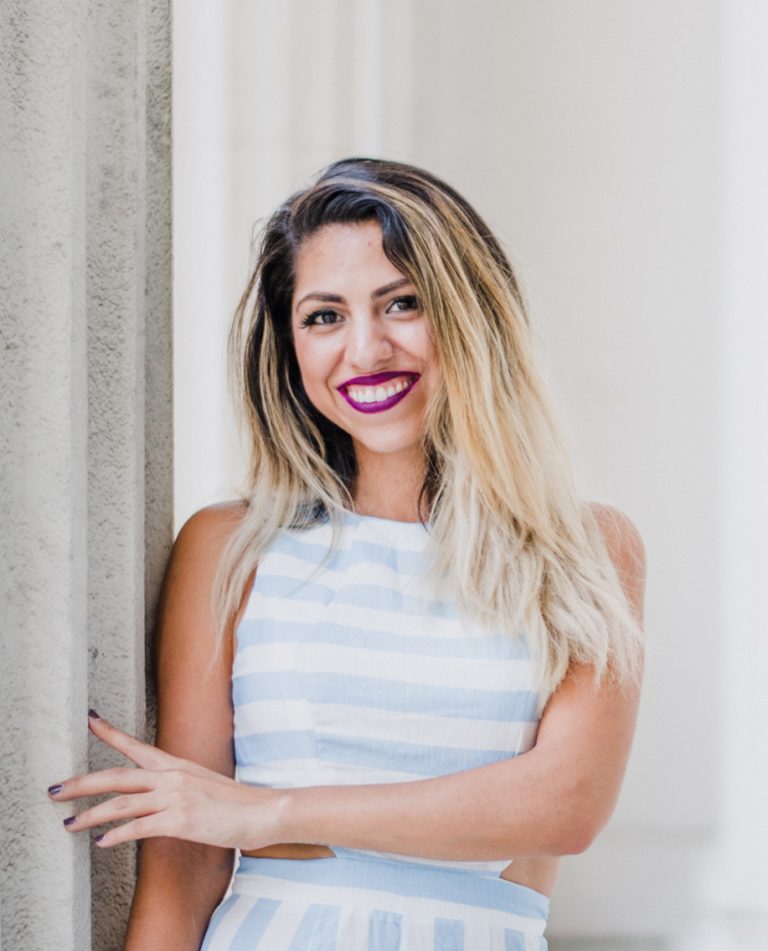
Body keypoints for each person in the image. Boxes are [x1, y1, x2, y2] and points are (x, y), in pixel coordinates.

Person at [48, 157, 645, 950]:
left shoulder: (585, 548)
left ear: (470, 314)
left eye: (402, 303)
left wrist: (267, 812)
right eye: (324, 316)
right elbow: (183, 873)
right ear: (289, 344)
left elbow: (564, 806)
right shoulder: (230, 548)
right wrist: (235, 818)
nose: (365, 349)